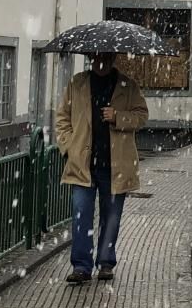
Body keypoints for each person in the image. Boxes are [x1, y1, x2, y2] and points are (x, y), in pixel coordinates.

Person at [55, 53, 148, 284]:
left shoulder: (127, 86)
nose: (101, 62)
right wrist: (69, 147)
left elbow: (141, 116)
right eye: (96, 58)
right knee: (80, 216)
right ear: (89, 57)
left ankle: (106, 262)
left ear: (113, 58)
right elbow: (62, 118)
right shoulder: (77, 83)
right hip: (82, 164)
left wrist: (118, 117)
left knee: (111, 216)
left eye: (106, 58)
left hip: (115, 164)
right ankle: (81, 267)